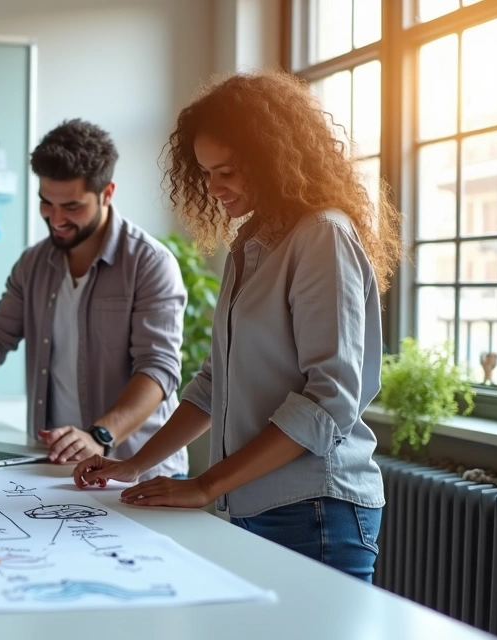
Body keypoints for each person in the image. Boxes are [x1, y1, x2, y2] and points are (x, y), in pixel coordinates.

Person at [73, 71, 403, 583]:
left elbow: (329, 399)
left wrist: (206, 485)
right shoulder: (251, 242)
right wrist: (134, 464)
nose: (214, 188)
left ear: (273, 158)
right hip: (254, 500)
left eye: (226, 171)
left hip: (315, 507)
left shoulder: (322, 237)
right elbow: (213, 385)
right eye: (205, 173)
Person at [0, 119, 188, 479]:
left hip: (136, 469)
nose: (57, 218)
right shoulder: (34, 264)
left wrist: (100, 436)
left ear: (107, 193)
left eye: (72, 207)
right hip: (58, 469)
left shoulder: (149, 263)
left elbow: (158, 370)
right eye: (46, 203)